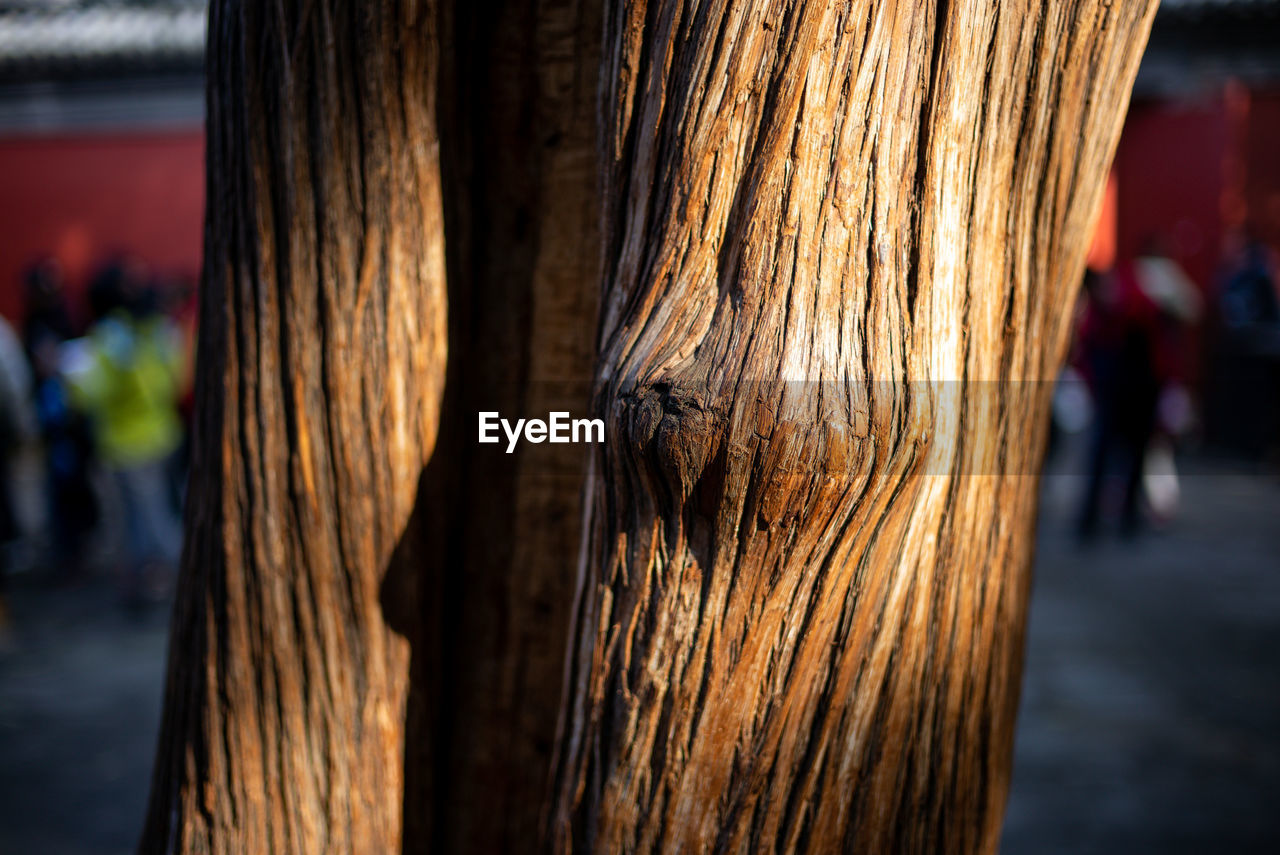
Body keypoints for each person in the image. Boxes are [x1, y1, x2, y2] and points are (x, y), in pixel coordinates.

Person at [64, 260, 185, 602]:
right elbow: (174, 378)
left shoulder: (112, 338)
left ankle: (169, 577)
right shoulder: (154, 329)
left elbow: (91, 393)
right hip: (161, 435)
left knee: (147, 519)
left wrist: (68, 377)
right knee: (154, 512)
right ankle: (152, 578)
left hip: (128, 444)